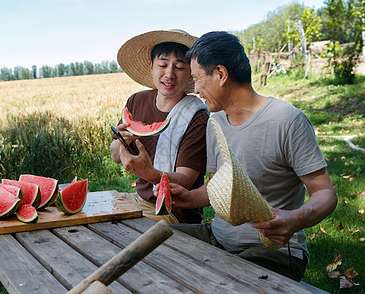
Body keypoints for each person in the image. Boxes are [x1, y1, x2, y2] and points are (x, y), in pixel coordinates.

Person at [170, 31, 337, 281]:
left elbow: (325, 193)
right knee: (151, 242)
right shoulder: (214, 122)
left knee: (220, 284)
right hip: (217, 237)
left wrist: (295, 218)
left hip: (273, 251)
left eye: (197, 79)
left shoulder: (287, 120)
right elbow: (217, 187)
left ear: (220, 74)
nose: (195, 90)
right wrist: (188, 198)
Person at [110, 30, 209, 225]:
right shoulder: (135, 101)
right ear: (151, 67)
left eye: (179, 67)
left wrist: (150, 173)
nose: (169, 74)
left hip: (174, 212)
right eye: (162, 65)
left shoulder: (197, 115)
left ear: (190, 72)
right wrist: (121, 143)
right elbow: (115, 156)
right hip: (139, 200)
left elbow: (186, 180)